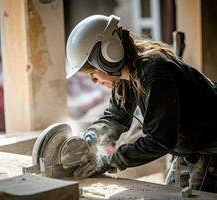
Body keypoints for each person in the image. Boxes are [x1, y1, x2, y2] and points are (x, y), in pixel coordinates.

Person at [66, 15, 217, 192]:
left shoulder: (154, 72)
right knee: (169, 195)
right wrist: (91, 136)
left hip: (210, 149)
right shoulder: (127, 74)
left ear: (108, 55)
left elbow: (160, 140)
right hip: (188, 147)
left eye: (92, 72)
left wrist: (109, 161)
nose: (93, 80)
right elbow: (117, 116)